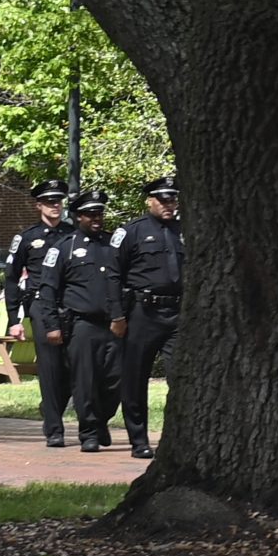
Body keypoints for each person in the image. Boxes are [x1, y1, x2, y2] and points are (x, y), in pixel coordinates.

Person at [41, 189, 120, 454]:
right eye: (90, 214)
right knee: (84, 382)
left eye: (99, 213)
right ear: (77, 217)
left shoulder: (114, 245)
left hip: (114, 323)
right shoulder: (64, 247)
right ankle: (89, 433)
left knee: (115, 381)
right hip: (82, 324)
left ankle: (101, 421)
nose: (96, 218)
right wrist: (52, 325)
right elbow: (48, 290)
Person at [110, 175, 183, 460]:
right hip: (143, 312)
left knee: (182, 376)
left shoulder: (184, 230)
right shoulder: (132, 232)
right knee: (135, 377)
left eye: (172, 199)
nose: (168, 205)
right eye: (162, 200)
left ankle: (175, 436)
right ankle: (138, 439)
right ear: (149, 201)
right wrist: (117, 315)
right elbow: (113, 276)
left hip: (178, 312)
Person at [3, 179, 74, 448]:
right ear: (39, 205)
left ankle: (50, 406)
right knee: (49, 366)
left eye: (58, 201)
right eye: (49, 202)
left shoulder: (72, 234)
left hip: (70, 305)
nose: (55, 205)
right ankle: (54, 429)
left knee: (72, 366)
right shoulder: (27, 238)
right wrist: (14, 320)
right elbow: (11, 279)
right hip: (40, 305)